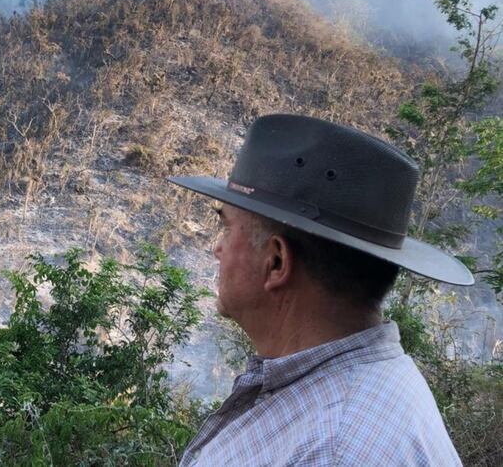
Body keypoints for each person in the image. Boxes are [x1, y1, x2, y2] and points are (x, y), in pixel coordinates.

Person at [169, 113, 472, 466]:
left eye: (226, 227)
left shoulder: (335, 448)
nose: (216, 249)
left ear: (277, 261)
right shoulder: (350, 398)